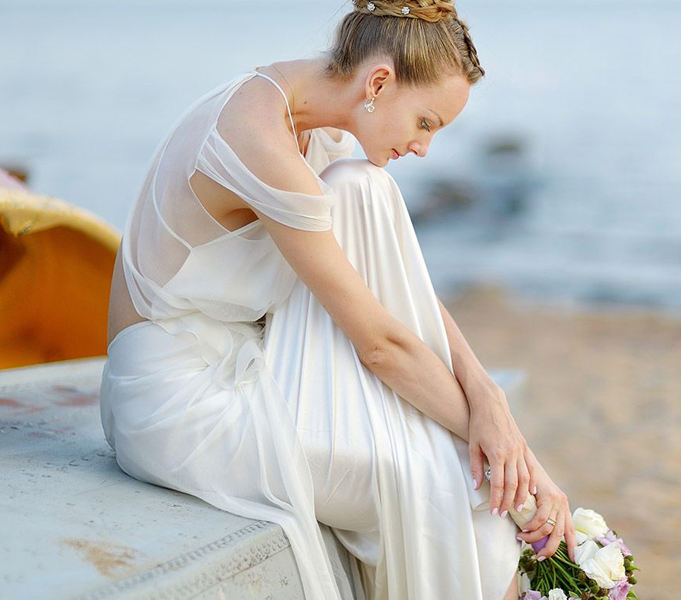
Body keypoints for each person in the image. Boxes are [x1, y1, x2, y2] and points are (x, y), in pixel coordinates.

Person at [97, 1, 577, 598]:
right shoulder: (260, 138)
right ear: (378, 82)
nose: (425, 146)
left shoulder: (314, 124)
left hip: (247, 358)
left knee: (360, 188)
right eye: (426, 122)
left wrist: (487, 396)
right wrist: (515, 461)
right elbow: (379, 344)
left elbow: (401, 295)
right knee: (452, 481)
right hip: (178, 402)